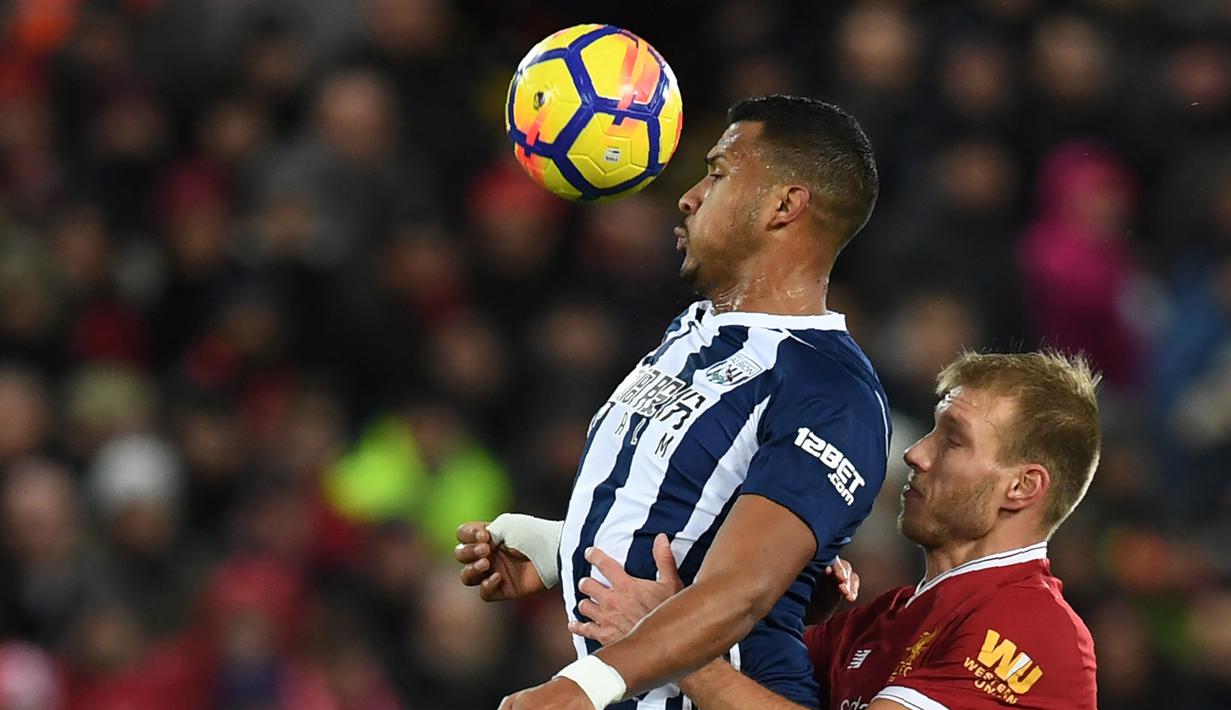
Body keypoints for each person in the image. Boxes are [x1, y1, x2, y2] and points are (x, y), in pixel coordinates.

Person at [456, 94, 891, 710]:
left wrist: (582, 687)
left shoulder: (829, 391)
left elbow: (742, 587)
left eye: (716, 174)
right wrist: (564, 549)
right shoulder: (693, 331)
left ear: (785, 205)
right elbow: (684, 518)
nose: (688, 197)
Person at [565, 350, 1100, 710]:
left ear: (1023, 488)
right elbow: (757, 680)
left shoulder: (1036, 632)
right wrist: (785, 599)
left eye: (953, 440)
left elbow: (717, 678)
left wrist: (672, 648)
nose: (915, 453)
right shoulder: (882, 620)